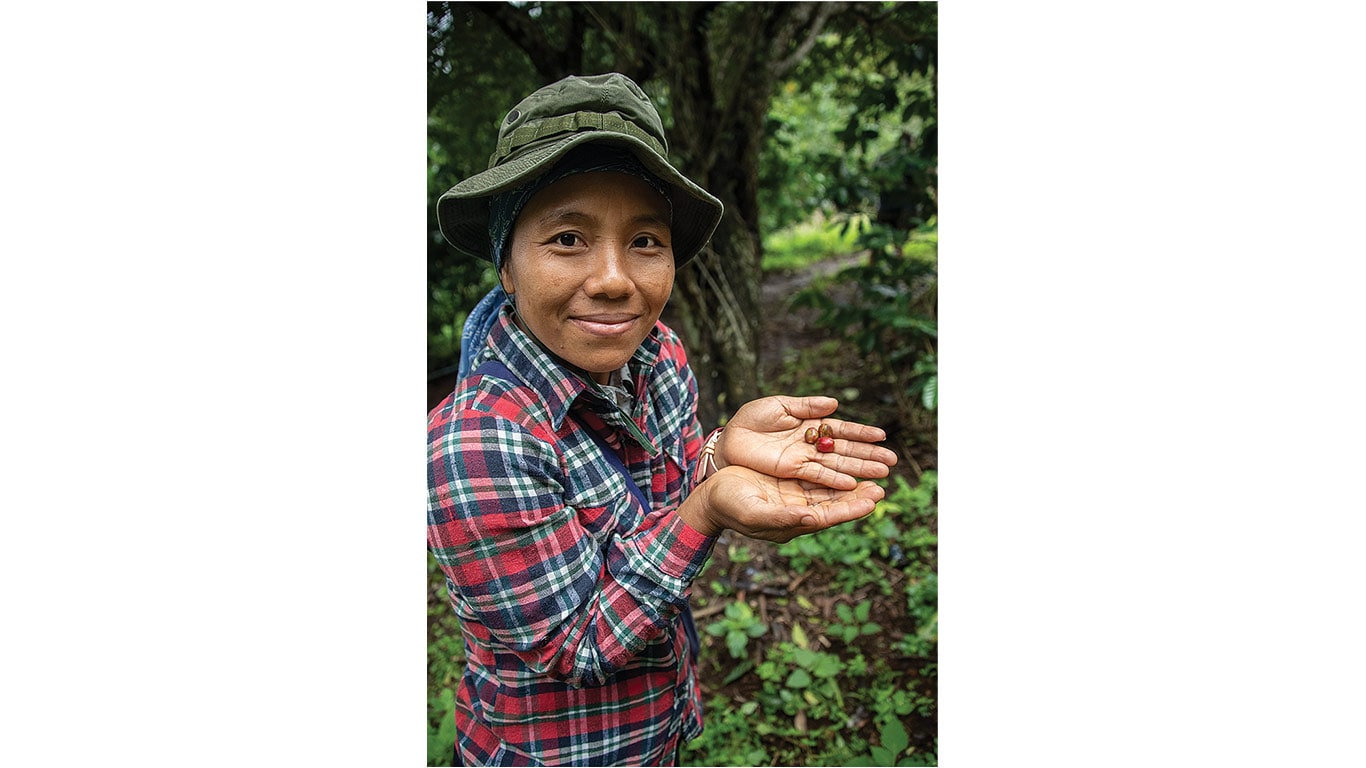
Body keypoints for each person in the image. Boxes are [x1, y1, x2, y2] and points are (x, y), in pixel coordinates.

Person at [427, 72, 898, 767]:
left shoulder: (658, 354)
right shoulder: (478, 443)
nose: (615, 279)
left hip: (658, 726)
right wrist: (706, 512)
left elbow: (667, 486)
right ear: (507, 265)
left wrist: (719, 455)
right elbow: (576, 646)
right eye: (567, 238)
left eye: (645, 240)